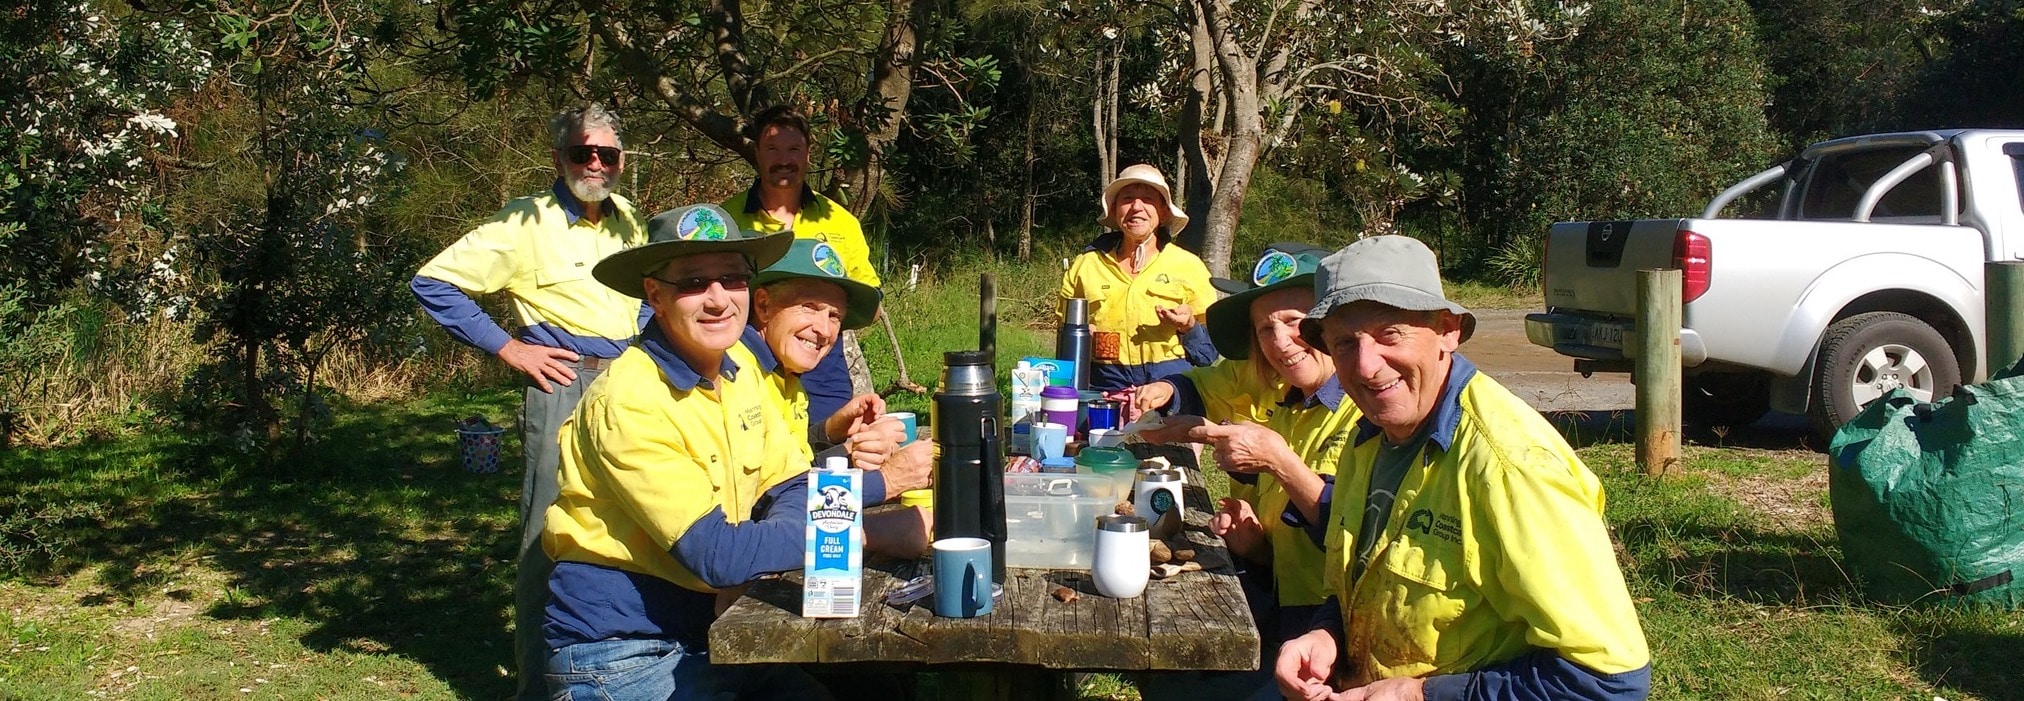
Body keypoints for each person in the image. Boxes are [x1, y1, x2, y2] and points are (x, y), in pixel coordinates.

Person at [1272, 236, 1651, 701]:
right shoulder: (1370, 434)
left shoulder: (1512, 466)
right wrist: (1327, 634)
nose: (1367, 367)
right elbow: (1359, 574)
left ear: (1448, 331)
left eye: (1391, 333)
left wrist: (1420, 695)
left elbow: (1609, 682)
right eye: (1345, 343)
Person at [542, 204, 864, 700]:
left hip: (710, 634)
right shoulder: (629, 398)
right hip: (619, 656)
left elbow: (796, 481)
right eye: (693, 283)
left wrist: (772, 541)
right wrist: (843, 532)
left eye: (732, 279)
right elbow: (718, 554)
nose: (718, 299)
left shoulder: (735, 368)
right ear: (656, 295)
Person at [407, 104, 645, 701]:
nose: (595, 164)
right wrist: (510, 349)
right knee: (548, 535)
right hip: (562, 383)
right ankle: (536, 688)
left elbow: (644, 297)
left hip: (632, 386)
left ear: (622, 162)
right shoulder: (525, 220)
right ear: (559, 157)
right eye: (582, 153)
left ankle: (609, 670)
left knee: (633, 526)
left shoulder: (629, 222)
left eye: (607, 155)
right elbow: (433, 282)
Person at [1133, 245, 1360, 701]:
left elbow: (1360, 538)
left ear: (1330, 326)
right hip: (1283, 615)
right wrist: (1255, 547)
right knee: (1158, 665)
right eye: (1265, 330)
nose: (1279, 342)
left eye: (1294, 322)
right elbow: (1296, 549)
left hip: (1338, 644)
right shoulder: (1292, 407)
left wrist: (1278, 461)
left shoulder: (1366, 410)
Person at [723, 105, 881, 437]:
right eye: (772, 149)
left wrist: (819, 315)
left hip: (822, 361)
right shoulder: (726, 220)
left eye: (793, 149)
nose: (784, 159)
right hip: (747, 359)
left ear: (808, 154)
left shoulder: (839, 221)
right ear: (757, 153)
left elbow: (871, 300)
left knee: (832, 450)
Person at [1059, 163, 1218, 393]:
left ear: (1163, 211)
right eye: (1127, 198)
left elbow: (1208, 355)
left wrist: (1189, 327)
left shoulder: (1189, 267)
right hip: (1102, 390)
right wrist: (1080, 337)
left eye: (1148, 199)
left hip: (1170, 391)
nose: (1137, 207)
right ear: (1114, 210)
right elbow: (1063, 342)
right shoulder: (1085, 265)